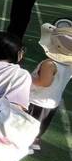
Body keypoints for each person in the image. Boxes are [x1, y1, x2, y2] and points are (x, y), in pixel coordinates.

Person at [28, 22, 72, 150]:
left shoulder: (49, 64)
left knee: (28, 122)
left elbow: (44, 83)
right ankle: (34, 142)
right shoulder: (69, 65)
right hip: (52, 102)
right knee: (41, 124)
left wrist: (26, 77)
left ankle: (24, 143)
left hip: (36, 100)